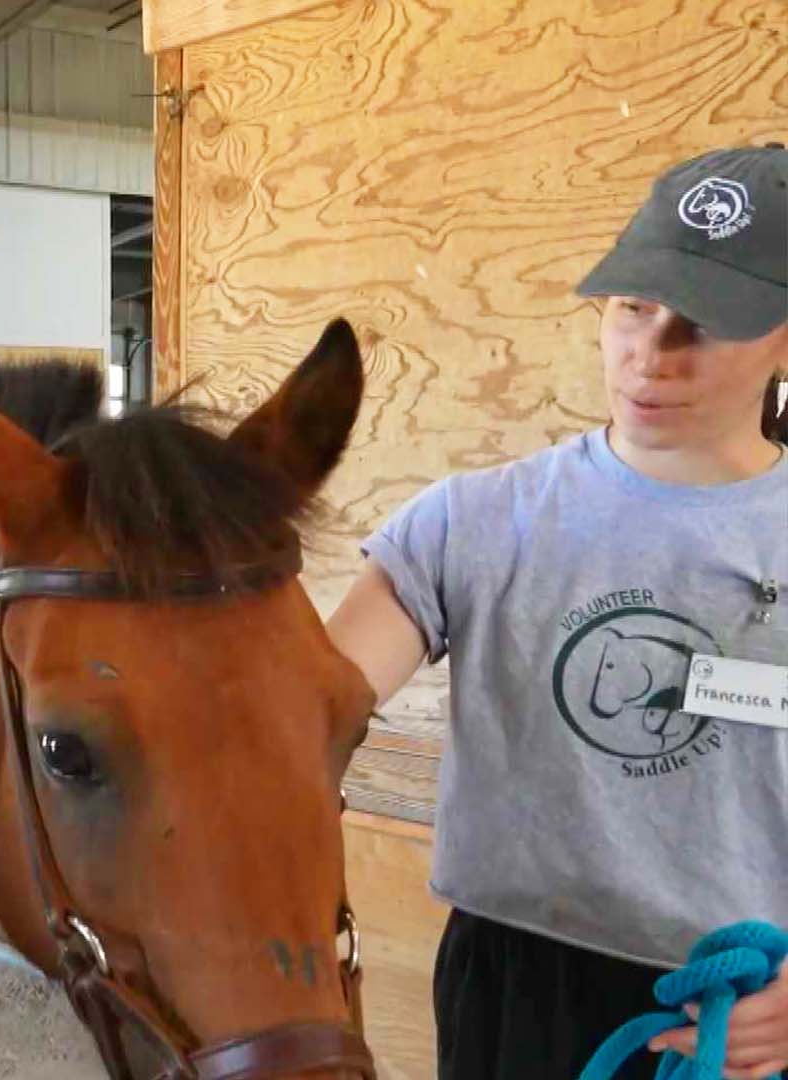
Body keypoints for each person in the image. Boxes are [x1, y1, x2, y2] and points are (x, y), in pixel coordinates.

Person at [327, 143, 788, 1079]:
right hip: (510, 988)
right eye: (633, 308)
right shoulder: (474, 522)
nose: (651, 357)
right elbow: (312, 698)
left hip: (738, 1014)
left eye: (704, 325)